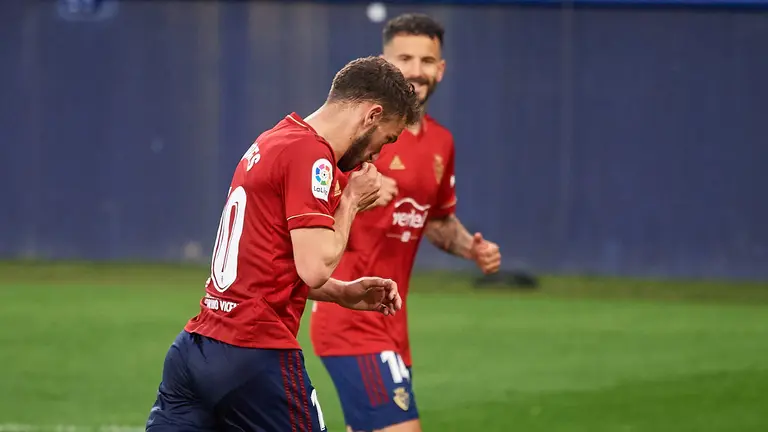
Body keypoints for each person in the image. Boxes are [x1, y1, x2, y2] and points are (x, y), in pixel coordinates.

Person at [145, 56, 421, 432]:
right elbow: (315, 265)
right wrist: (352, 201)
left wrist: (340, 292)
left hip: (195, 349)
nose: (378, 154)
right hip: (254, 354)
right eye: (387, 138)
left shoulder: (275, 138)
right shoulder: (311, 156)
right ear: (372, 115)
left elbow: (264, 262)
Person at [310, 14, 502, 432]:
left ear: (441, 68)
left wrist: (472, 248)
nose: (417, 70)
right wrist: (355, 190)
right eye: (405, 58)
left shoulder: (440, 142)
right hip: (349, 318)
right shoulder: (358, 137)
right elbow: (306, 205)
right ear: (385, 62)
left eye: (427, 60)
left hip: (392, 323)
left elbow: (434, 220)